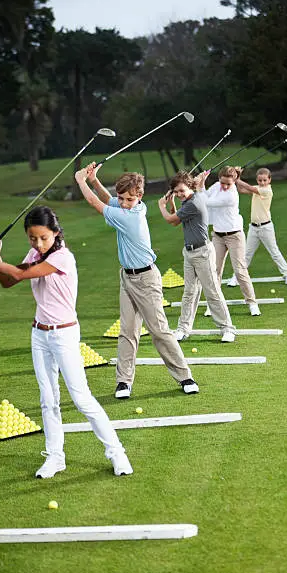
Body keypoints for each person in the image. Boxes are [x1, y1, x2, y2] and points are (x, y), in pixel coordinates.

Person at [0, 205, 133, 479]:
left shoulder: (62, 258)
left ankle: (116, 453)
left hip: (64, 335)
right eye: (32, 238)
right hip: (39, 335)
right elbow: (8, 281)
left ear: (56, 234)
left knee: (81, 398)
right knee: (48, 400)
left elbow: (21, 274)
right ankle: (55, 457)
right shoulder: (35, 255)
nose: (37, 243)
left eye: (43, 238)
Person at [74, 162, 199, 399]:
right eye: (121, 198)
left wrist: (80, 181)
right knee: (127, 331)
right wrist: (93, 180)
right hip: (127, 277)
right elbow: (109, 199)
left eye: (127, 199)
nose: (122, 202)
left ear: (139, 196)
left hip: (146, 279)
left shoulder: (130, 217)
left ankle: (185, 376)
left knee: (159, 330)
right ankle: (123, 382)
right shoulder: (131, 206)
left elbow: (96, 203)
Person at [158, 170, 236, 343]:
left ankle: (227, 328)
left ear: (190, 187)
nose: (179, 194)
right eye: (176, 192)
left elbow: (172, 220)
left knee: (212, 291)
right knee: (189, 292)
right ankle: (183, 328)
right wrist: (172, 202)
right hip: (189, 252)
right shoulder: (193, 198)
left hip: (202, 253)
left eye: (181, 191)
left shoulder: (193, 203)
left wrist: (162, 206)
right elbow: (177, 218)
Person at [226, 167, 287, 286]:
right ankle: (236, 277)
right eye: (260, 180)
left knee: (274, 252)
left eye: (265, 180)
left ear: (269, 180)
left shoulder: (267, 191)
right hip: (253, 228)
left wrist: (236, 179)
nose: (262, 182)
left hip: (266, 228)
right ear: (257, 180)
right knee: (246, 254)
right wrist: (238, 177)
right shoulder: (258, 189)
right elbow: (241, 190)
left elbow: (249, 188)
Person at [205, 165, 261, 316]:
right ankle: (213, 305)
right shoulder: (217, 186)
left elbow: (206, 202)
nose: (224, 186)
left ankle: (252, 303)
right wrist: (200, 184)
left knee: (240, 270)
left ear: (234, 181)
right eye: (222, 182)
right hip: (218, 234)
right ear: (219, 179)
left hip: (234, 235)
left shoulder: (231, 195)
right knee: (215, 270)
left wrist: (198, 186)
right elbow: (204, 194)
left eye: (228, 184)